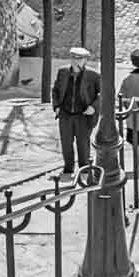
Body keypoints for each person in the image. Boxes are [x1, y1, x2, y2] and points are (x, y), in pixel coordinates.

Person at [52, 46, 101, 179]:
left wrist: (93, 107)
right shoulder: (63, 72)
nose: (75, 61)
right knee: (66, 143)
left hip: (83, 115)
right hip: (65, 113)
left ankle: (84, 169)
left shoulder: (93, 75)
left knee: (83, 143)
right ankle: (68, 169)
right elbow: (56, 90)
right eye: (73, 58)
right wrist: (56, 106)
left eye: (79, 59)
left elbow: (102, 93)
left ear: (85, 60)